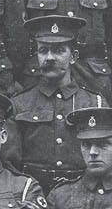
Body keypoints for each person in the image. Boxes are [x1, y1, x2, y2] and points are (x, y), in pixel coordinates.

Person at [10, 15, 106, 192]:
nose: (49, 57)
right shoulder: (19, 104)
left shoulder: (95, 102)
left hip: (82, 195)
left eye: (59, 50)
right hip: (34, 196)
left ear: (73, 56)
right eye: (43, 50)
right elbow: (11, 165)